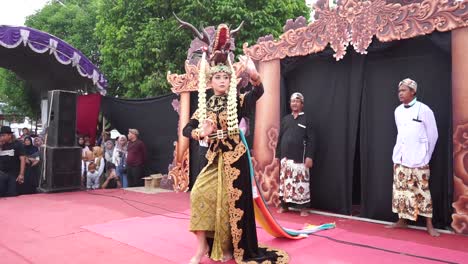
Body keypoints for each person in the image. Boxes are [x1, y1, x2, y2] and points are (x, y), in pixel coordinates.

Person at [182, 53, 287, 263]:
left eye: (226, 77)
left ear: (231, 81)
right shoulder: (205, 105)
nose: (222, 81)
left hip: (235, 158)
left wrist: (255, 77)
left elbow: (258, 92)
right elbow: (187, 129)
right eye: (218, 78)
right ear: (210, 81)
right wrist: (200, 133)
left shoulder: (237, 101)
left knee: (229, 204)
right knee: (199, 194)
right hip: (214, 158)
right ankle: (202, 247)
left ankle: (229, 248)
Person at [387, 78, 439, 237]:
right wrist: (397, 156)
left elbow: (433, 135)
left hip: (419, 159)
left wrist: (426, 156)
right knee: (401, 191)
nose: (400, 94)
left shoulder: (424, 110)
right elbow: (400, 134)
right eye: (399, 91)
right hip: (401, 158)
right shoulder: (398, 111)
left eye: (404, 90)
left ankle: (429, 225)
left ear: (413, 91)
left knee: (422, 192)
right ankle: (402, 220)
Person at [276, 92, 315, 217]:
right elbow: (280, 137)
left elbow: (312, 139)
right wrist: (278, 155)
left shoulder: (307, 119)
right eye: (292, 101)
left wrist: (310, 156)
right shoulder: (286, 119)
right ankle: (284, 205)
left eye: (297, 101)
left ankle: (303, 208)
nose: (294, 103)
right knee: (285, 182)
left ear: (302, 104)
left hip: (300, 158)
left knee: (301, 183)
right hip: (286, 158)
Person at [0, 126, 26, 197]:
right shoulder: (1, 144)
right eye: (1, 135)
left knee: (12, 194)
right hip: (2, 174)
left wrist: (21, 174)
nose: (1, 137)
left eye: (3, 135)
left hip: (13, 174)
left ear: (10, 135)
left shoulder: (18, 144)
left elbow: (23, 159)